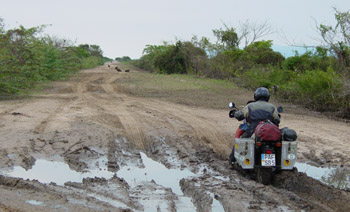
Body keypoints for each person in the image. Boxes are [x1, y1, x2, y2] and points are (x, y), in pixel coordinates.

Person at [229, 87, 280, 165]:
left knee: (241, 140)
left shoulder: (250, 106)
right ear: (268, 96)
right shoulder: (272, 107)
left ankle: (232, 161)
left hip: (253, 130)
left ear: (256, 96)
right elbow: (277, 120)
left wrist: (235, 113)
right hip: (269, 132)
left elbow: (240, 116)